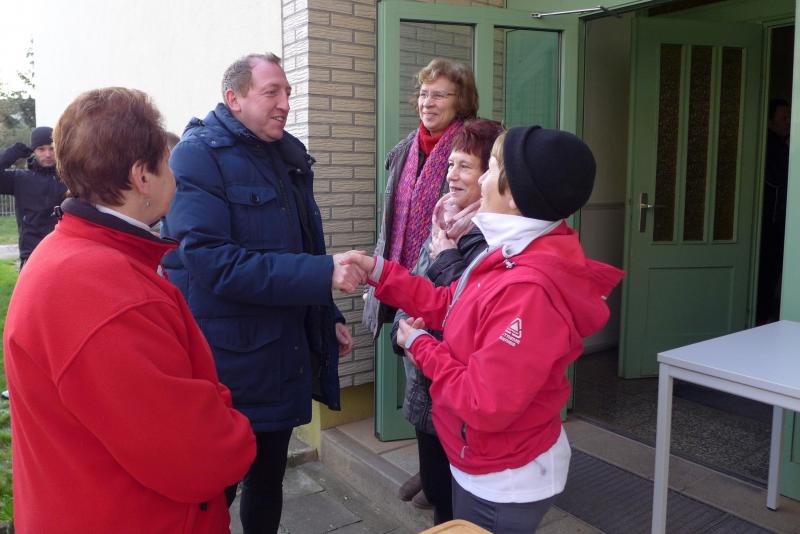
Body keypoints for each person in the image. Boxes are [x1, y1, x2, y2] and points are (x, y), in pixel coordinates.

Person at [344, 126, 624, 533]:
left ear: (515, 196)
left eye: (490, 167)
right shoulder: (511, 251)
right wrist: (380, 272)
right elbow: (451, 303)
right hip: (481, 458)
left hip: (503, 477)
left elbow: (483, 402)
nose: (481, 179)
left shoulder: (528, 288)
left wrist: (420, 345)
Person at [3, 87, 256, 532]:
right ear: (142, 176)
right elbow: (200, 456)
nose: (174, 177)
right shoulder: (108, 293)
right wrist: (224, 414)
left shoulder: (70, 254)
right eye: (167, 164)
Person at [161, 52, 360, 534]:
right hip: (231, 364)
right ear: (234, 98)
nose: (285, 103)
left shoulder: (285, 153)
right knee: (217, 489)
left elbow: (304, 245)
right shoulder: (197, 156)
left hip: (284, 352)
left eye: (288, 92)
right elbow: (212, 262)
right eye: (272, 92)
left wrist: (326, 314)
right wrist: (322, 275)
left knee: (269, 478)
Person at [362, 57, 479, 504]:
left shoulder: (474, 146)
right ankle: (430, 470)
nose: (427, 102)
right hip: (403, 276)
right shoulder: (406, 148)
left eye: (440, 95)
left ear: (461, 101)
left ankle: (443, 478)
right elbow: (392, 220)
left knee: (441, 383)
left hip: (446, 280)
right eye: (424, 94)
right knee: (417, 376)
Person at [389, 119, 503, 524]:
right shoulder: (443, 221)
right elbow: (415, 285)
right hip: (425, 381)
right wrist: (402, 332)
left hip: (457, 388)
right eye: (451, 164)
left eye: (465, 166)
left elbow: (471, 311)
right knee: (438, 488)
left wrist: (419, 340)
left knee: (456, 504)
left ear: (490, 175)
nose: (452, 175)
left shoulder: (493, 238)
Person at [0, 126, 67, 268]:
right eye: (41, 149)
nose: (47, 154)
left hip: (64, 252)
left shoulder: (70, 179)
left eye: (52, 148)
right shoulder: (20, 179)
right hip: (32, 254)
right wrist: (13, 153)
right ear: (33, 151)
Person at [757, 98, 790, 325]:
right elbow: (778, 179)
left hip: (774, 221)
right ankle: (761, 320)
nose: (788, 122)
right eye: (783, 118)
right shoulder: (768, 146)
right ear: (769, 121)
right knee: (767, 272)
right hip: (769, 222)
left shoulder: (779, 144)